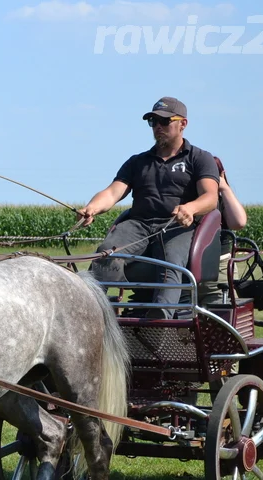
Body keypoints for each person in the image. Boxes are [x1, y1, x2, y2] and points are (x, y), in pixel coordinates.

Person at [77, 97, 219, 319]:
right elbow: (113, 192)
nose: (158, 127)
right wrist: (92, 207)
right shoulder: (138, 162)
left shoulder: (199, 158)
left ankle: (160, 317)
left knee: (170, 260)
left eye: (164, 121)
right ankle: (91, 313)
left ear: (183, 123)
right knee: (106, 252)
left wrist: (190, 208)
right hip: (139, 224)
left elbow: (210, 197)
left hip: (177, 226)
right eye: (153, 122)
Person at [199, 156, 248, 305]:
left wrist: (224, 187)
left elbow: (239, 222)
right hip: (186, 274)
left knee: (224, 319)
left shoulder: (222, 201)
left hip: (220, 274)